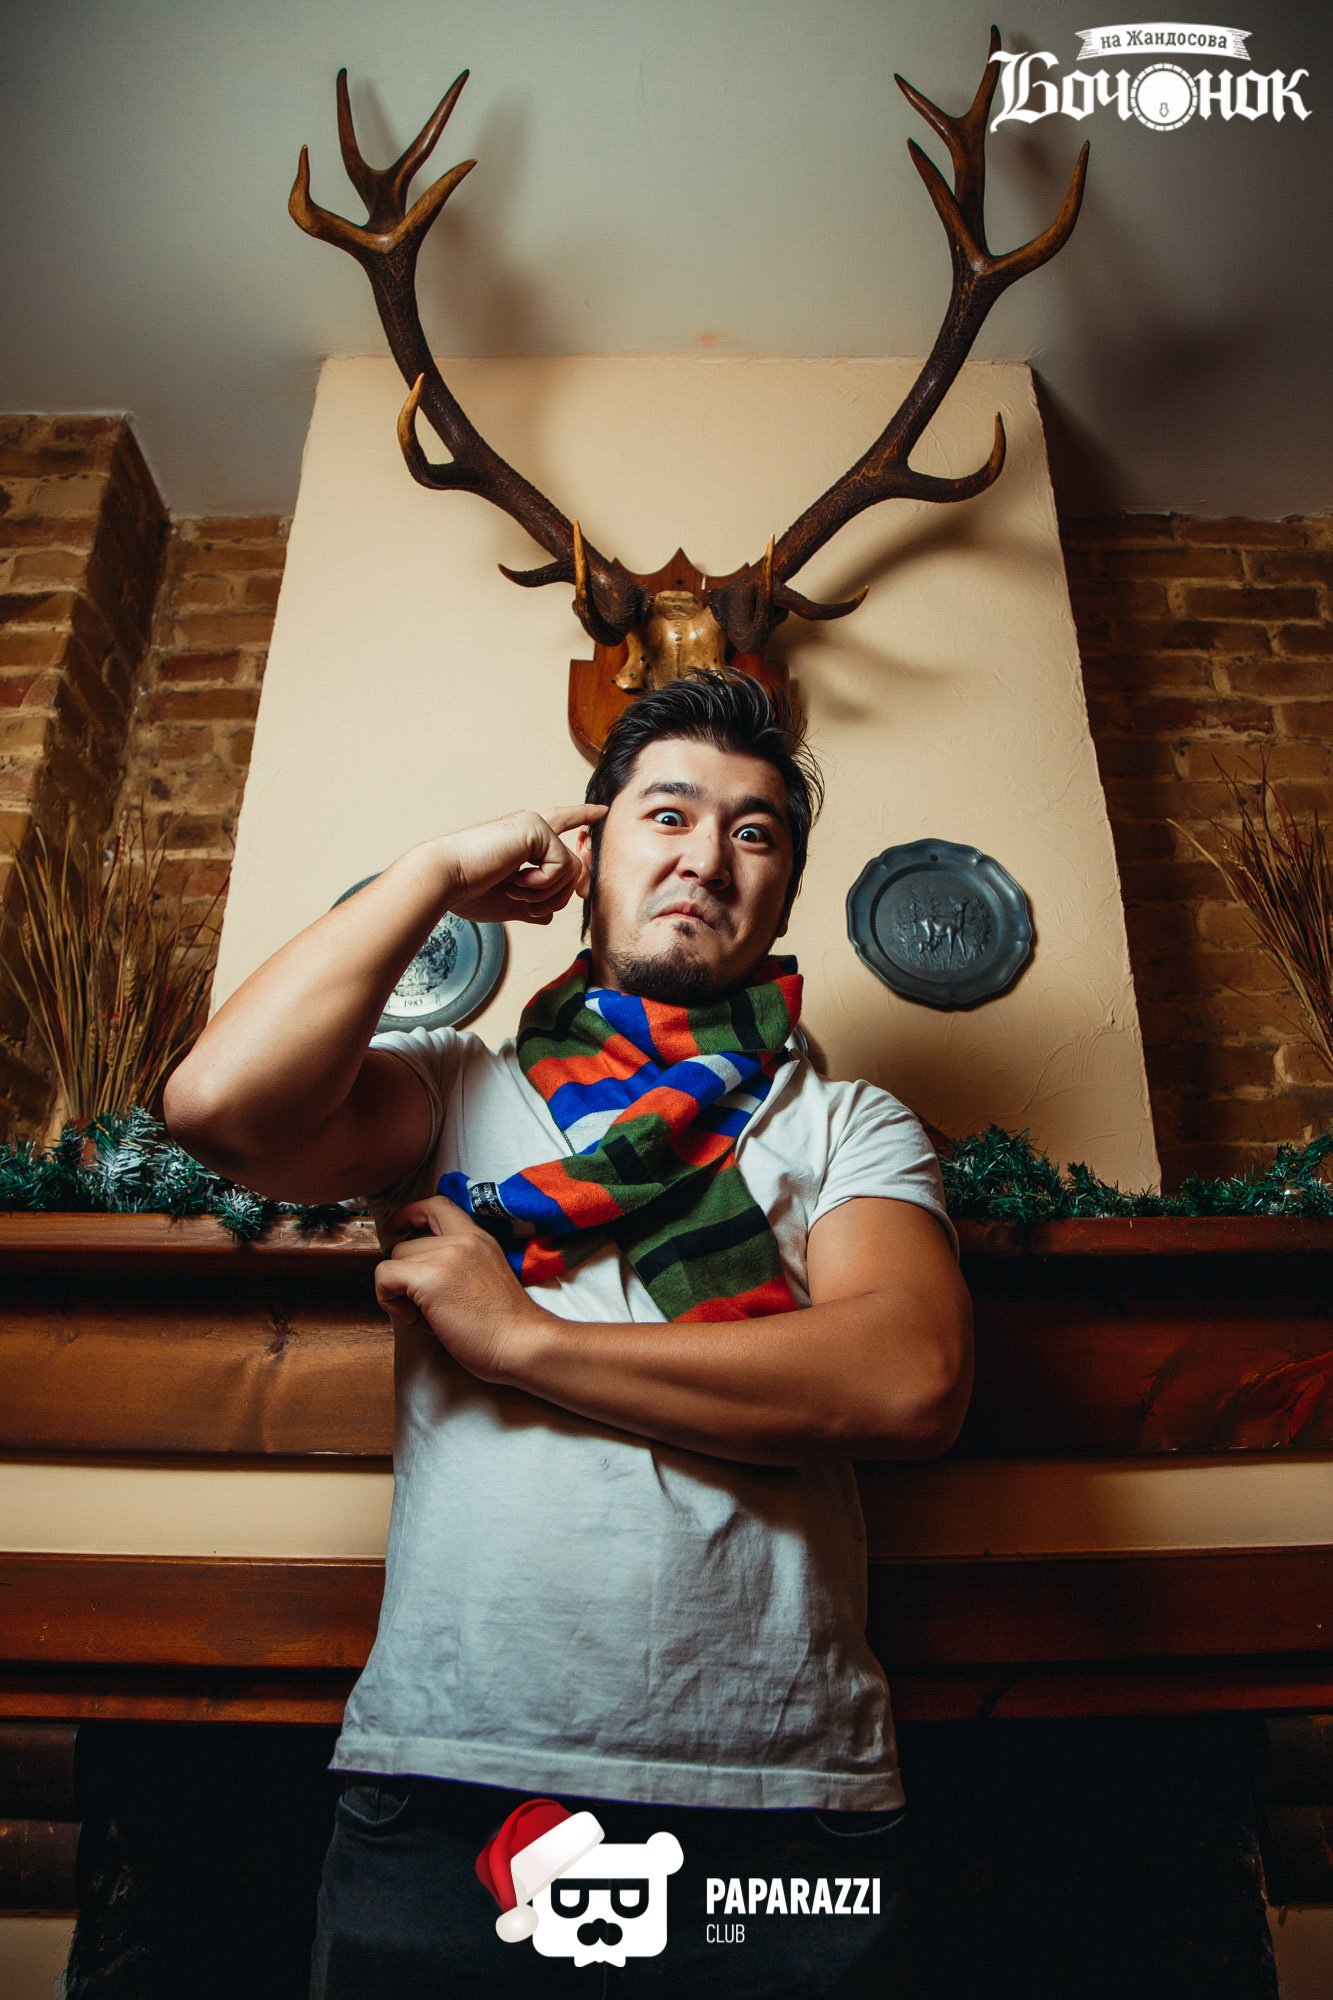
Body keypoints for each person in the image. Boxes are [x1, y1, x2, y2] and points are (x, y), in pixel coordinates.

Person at [164, 670, 973, 1997]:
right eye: (667, 815)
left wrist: (521, 1340)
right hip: (452, 1783)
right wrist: (433, 873)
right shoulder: (451, 1090)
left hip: (780, 1795)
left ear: (780, 896)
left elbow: (904, 1381)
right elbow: (218, 1107)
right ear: (588, 858)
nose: (706, 857)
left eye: (754, 832)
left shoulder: (845, 1122)